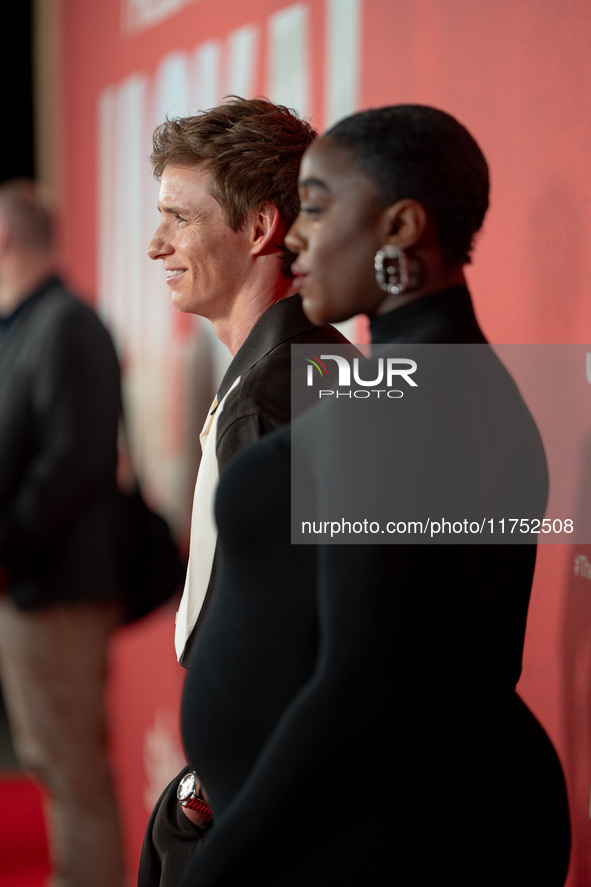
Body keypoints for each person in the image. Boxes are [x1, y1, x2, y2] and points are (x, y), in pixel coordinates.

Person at [177, 106, 571, 885]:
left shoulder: (407, 405)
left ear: (400, 227)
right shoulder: (449, 388)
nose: (294, 237)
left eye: (317, 207)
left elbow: (362, 680)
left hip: (389, 831)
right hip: (401, 814)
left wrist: (222, 858)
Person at [138, 97, 351, 887]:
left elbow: (294, 647)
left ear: (259, 229)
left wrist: (205, 795)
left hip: (262, 802)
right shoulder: (311, 361)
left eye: (176, 219)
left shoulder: (269, 397)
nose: (154, 244)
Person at [0, 179, 126, 886]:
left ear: (5, 238)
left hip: (57, 585)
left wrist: (5, 550)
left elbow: (74, 459)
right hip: (31, 581)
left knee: (72, 771)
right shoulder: (26, 323)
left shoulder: (67, 323)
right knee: (52, 763)